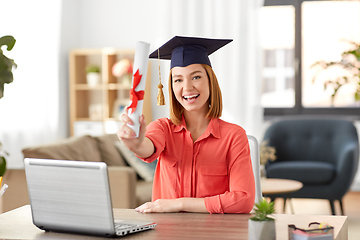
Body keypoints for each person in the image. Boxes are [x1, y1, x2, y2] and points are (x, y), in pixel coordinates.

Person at [117, 36, 255, 214]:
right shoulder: (162, 128)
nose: (187, 87)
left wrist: (178, 204)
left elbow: (243, 200)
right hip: (168, 231)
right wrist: (135, 144)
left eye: (196, 77)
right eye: (178, 80)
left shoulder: (234, 136)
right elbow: (147, 147)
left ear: (210, 81)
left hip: (214, 231)